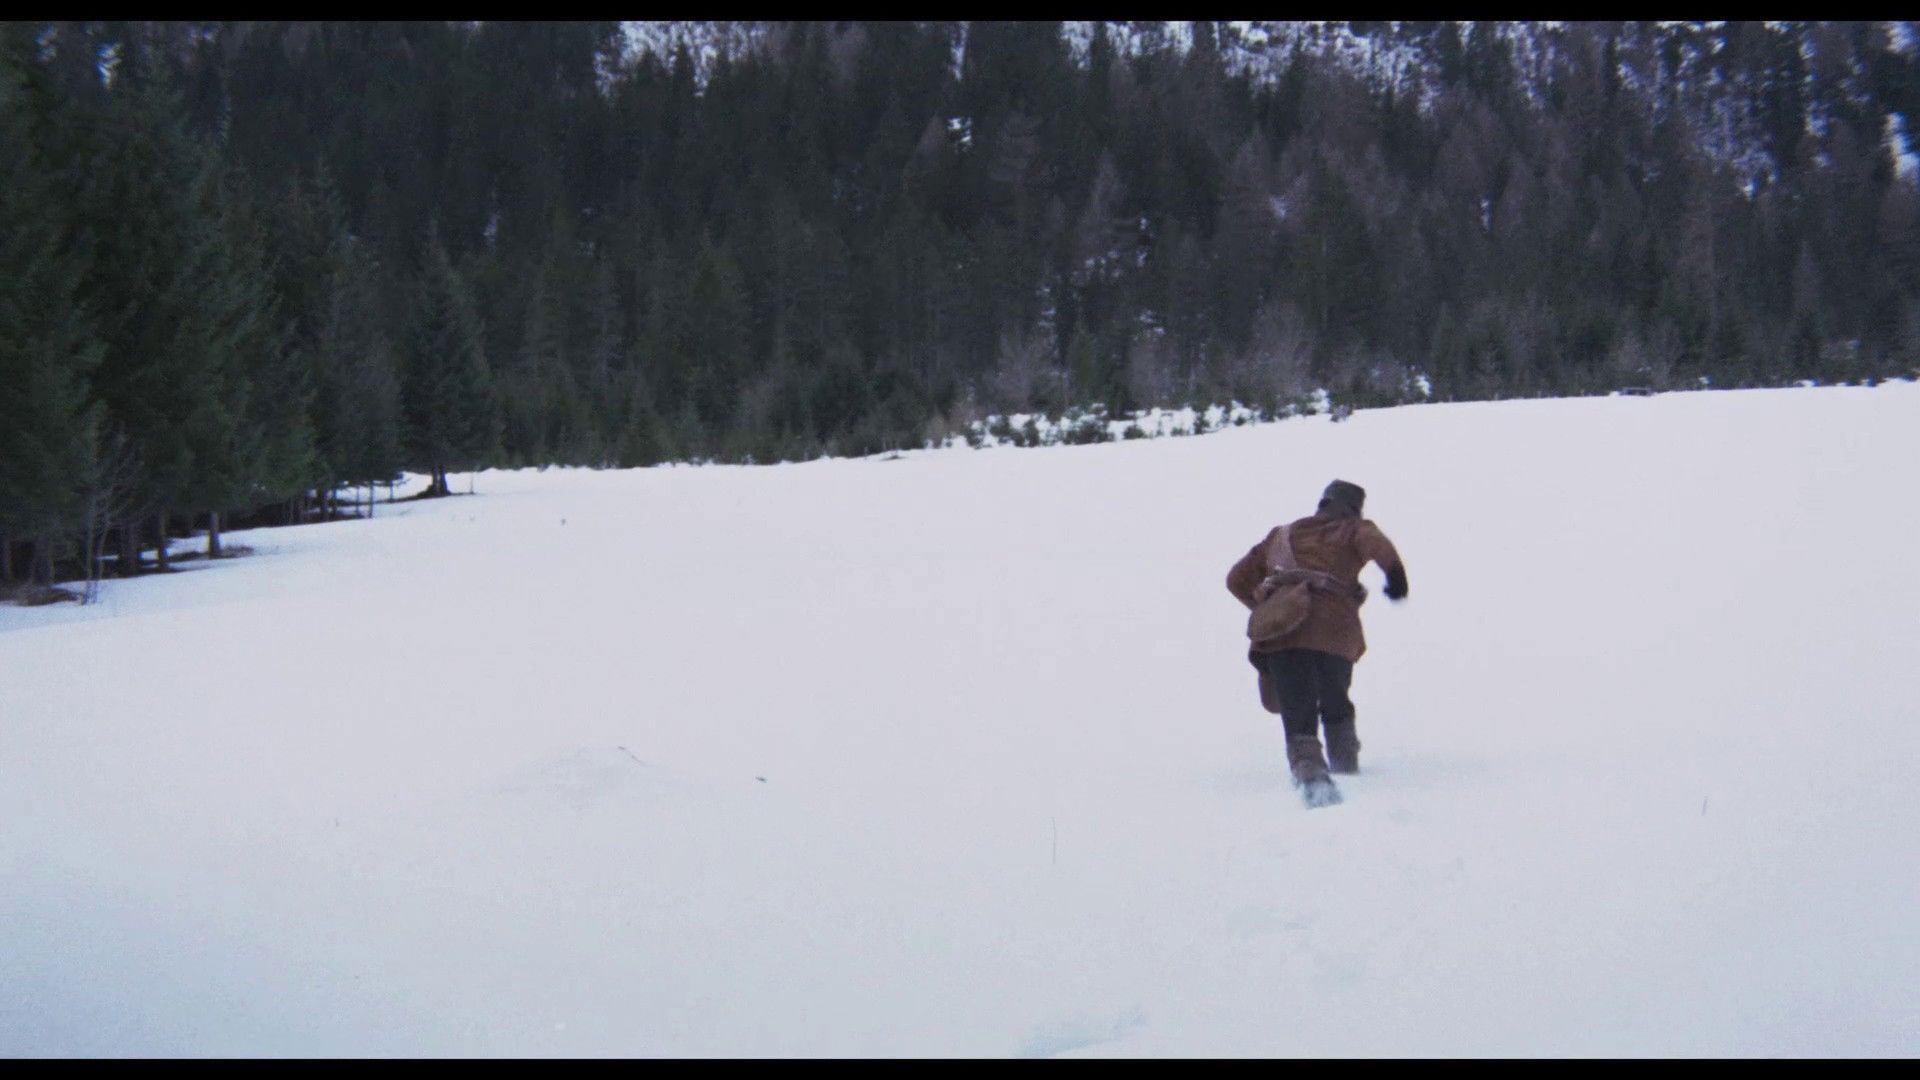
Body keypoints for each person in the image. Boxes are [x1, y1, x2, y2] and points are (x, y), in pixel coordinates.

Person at [1225, 479, 1408, 788]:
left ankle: (1311, 777)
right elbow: (1378, 546)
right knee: (1335, 699)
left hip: (1283, 632)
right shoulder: (1352, 529)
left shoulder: (1281, 536)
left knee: (1298, 708)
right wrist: (1395, 575)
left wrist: (1269, 605)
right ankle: (1346, 767)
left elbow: (1236, 579)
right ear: (1354, 509)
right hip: (1334, 632)